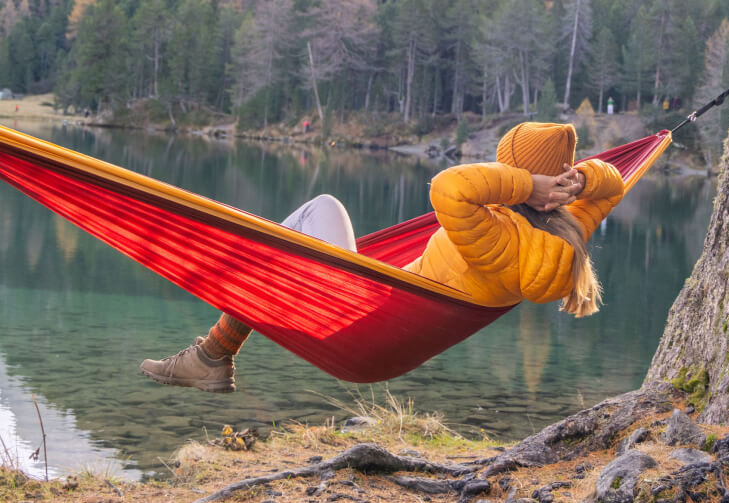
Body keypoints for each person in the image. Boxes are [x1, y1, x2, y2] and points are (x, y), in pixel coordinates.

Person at [139, 122, 626, 392]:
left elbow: (449, 187)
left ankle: (211, 355)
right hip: (381, 326)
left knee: (318, 212)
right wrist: (579, 183)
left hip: (361, 319)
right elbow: (615, 183)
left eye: (504, 165)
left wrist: (532, 184)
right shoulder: (568, 231)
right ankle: (211, 357)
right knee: (286, 252)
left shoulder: (494, 233)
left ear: (517, 177)